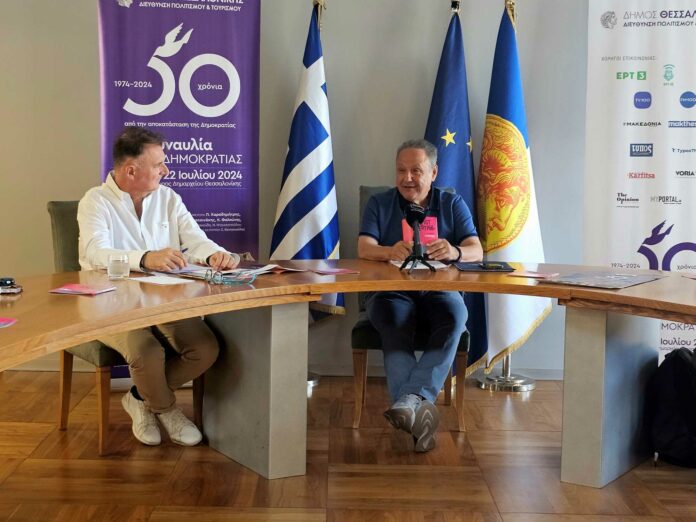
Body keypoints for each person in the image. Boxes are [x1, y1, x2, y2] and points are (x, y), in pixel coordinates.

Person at [78, 127, 240, 447]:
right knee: (146, 351)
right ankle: (167, 410)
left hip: (164, 300)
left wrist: (214, 254)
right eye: (158, 164)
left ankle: (140, 398)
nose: (166, 170)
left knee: (205, 348)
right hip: (110, 303)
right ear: (131, 170)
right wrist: (145, 258)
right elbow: (95, 253)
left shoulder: (168, 198)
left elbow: (195, 240)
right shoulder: (95, 201)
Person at [358, 139, 483, 452]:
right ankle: (418, 412)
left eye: (416, 171)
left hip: (439, 291)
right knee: (393, 322)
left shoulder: (452, 203)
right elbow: (364, 247)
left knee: (456, 316)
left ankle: (409, 402)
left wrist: (454, 251)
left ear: (434, 172)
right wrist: (389, 251)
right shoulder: (379, 202)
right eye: (401, 170)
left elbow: (476, 249)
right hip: (390, 293)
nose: (407, 178)